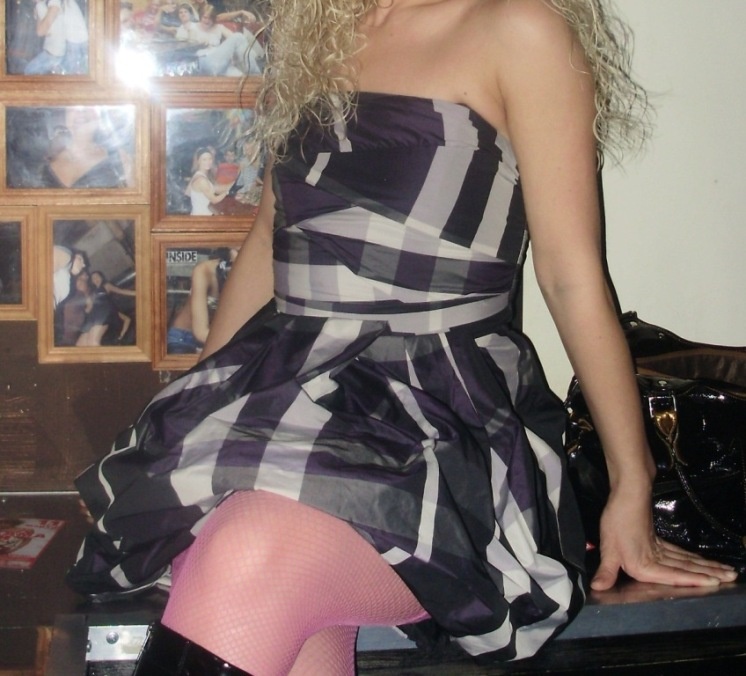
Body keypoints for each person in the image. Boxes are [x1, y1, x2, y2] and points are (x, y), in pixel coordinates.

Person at [69, 1, 737, 674]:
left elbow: (571, 279)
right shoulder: (319, 31)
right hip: (285, 392)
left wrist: (632, 485)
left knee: (247, 556)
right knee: (262, 587)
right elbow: (270, 238)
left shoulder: (516, 28)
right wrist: (184, 425)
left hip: (434, 414)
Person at [41, 106, 133, 189]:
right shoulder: (45, 159)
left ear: (100, 112)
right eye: (74, 105)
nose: (81, 111)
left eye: (89, 104)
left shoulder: (120, 159)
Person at [166, 248, 238, 354]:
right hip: (184, 339)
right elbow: (200, 332)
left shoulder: (249, 274)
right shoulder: (204, 270)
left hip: (216, 340)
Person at [185, 147, 230, 215]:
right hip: (202, 217)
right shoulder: (201, 180)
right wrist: (227, 192)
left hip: (200, 214)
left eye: (210, 159)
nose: (208, 162)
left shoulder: (198, 174)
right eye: (204, 159)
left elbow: (187, 193)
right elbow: (214, 200)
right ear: (198, 161)